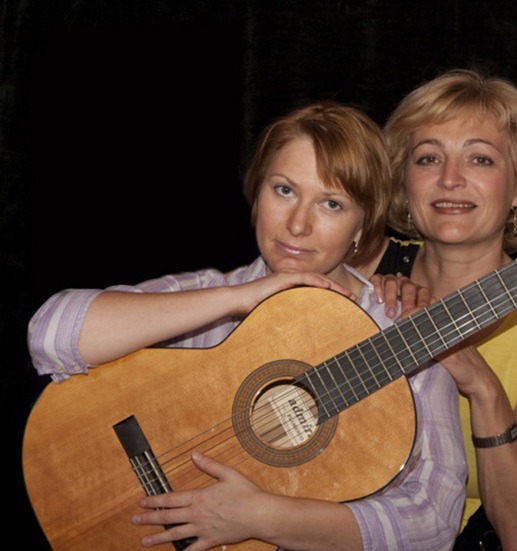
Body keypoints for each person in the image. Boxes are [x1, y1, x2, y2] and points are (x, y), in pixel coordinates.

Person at [27, 101, 467, 550]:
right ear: (257, 195)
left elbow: (433, 520)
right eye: (284, 190)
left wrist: (264, 517)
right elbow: (50, 335)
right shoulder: (211, 294)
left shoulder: (400, 331)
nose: (298, 225)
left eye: (331, 204)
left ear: (363, 226)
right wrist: (236, 299)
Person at [356, 68, 517, 550]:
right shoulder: (360, 270)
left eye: (480, 159)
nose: (450, 179)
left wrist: (484, 389)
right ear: (404, 182)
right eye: (428, 158)